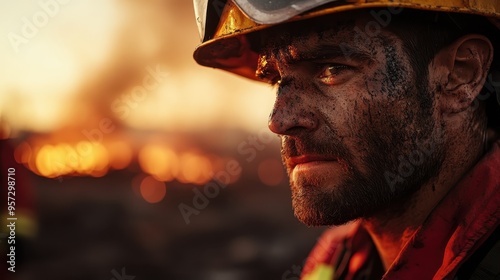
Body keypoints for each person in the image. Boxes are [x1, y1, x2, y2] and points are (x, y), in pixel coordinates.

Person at [192, 1, 500, 279]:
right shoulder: (334, 261)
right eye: (276, 80)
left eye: (331, 69)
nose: (279, 121)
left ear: (461, 75)